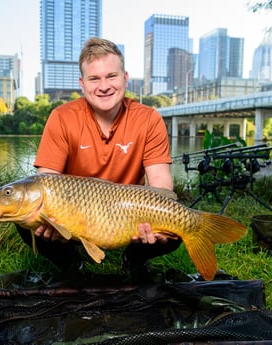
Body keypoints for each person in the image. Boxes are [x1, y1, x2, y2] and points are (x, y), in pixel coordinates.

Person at [15, 37, 181, 277]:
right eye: (94, 78)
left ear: (125, 78)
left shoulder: (148, 118)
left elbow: (161, 184)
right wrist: (47, 219)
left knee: (174, 221)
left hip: (129, 217)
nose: (104, 86)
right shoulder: (62, 117)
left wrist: (160, 220)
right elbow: (45, 182)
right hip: (76, 217)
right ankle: (73, 265)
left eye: (111, 76)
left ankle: (133, 261)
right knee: (27, 218)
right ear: (82, 84)